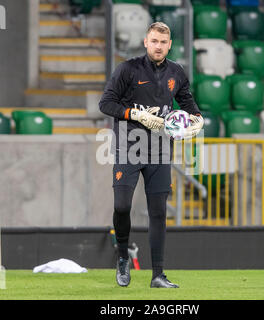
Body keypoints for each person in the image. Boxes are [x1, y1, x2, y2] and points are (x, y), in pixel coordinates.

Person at [99, 22, 203, 288]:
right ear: (146, 42)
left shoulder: (177, 72)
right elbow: (106, 103)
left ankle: (158, 274)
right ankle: (123, 256)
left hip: (159, 150)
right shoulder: (127, 69)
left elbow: (188, 103)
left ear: (169, 45)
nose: (158, 46)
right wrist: (135, 114)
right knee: (122, 206)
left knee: (158, 213)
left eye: (163, 42)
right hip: (129, 148)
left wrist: (198, 119)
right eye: (154, 41)